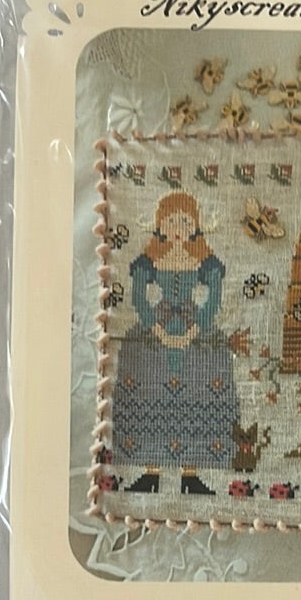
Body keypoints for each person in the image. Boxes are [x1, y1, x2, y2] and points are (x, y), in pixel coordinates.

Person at [113, 191, 239, 494]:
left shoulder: (204, 262)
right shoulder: (149, 261)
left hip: (195, 328)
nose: (178, 227)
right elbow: (139, 298)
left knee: (200, 388)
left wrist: (196, 329)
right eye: (171, 221)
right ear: (160, 225)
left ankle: (190, 473)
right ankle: (150, 471)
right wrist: (156, 329)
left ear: (195, 225)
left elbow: (213, 297)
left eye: (185, 221)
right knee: (147, 389)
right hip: (155, 329)